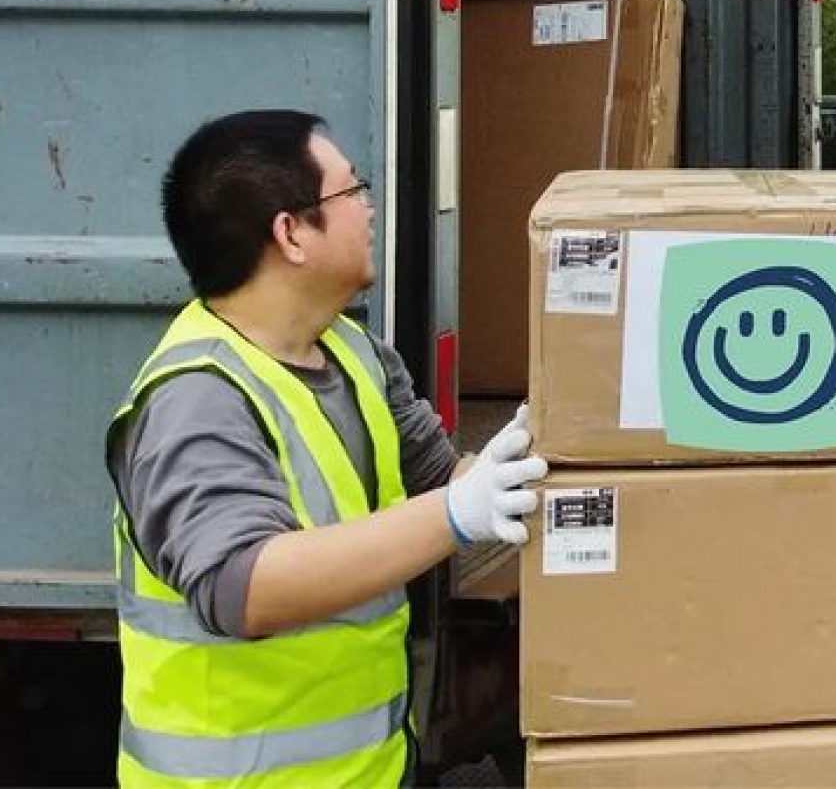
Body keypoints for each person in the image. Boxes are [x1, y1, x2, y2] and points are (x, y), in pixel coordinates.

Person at [106, 109, 546, 786]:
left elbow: (439, 479)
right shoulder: (199, 399)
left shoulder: (353, 352)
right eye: (352, 190)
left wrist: (528, 470)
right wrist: (458, 513)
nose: (369, 208)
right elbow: (244, 587)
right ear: (291, 233)